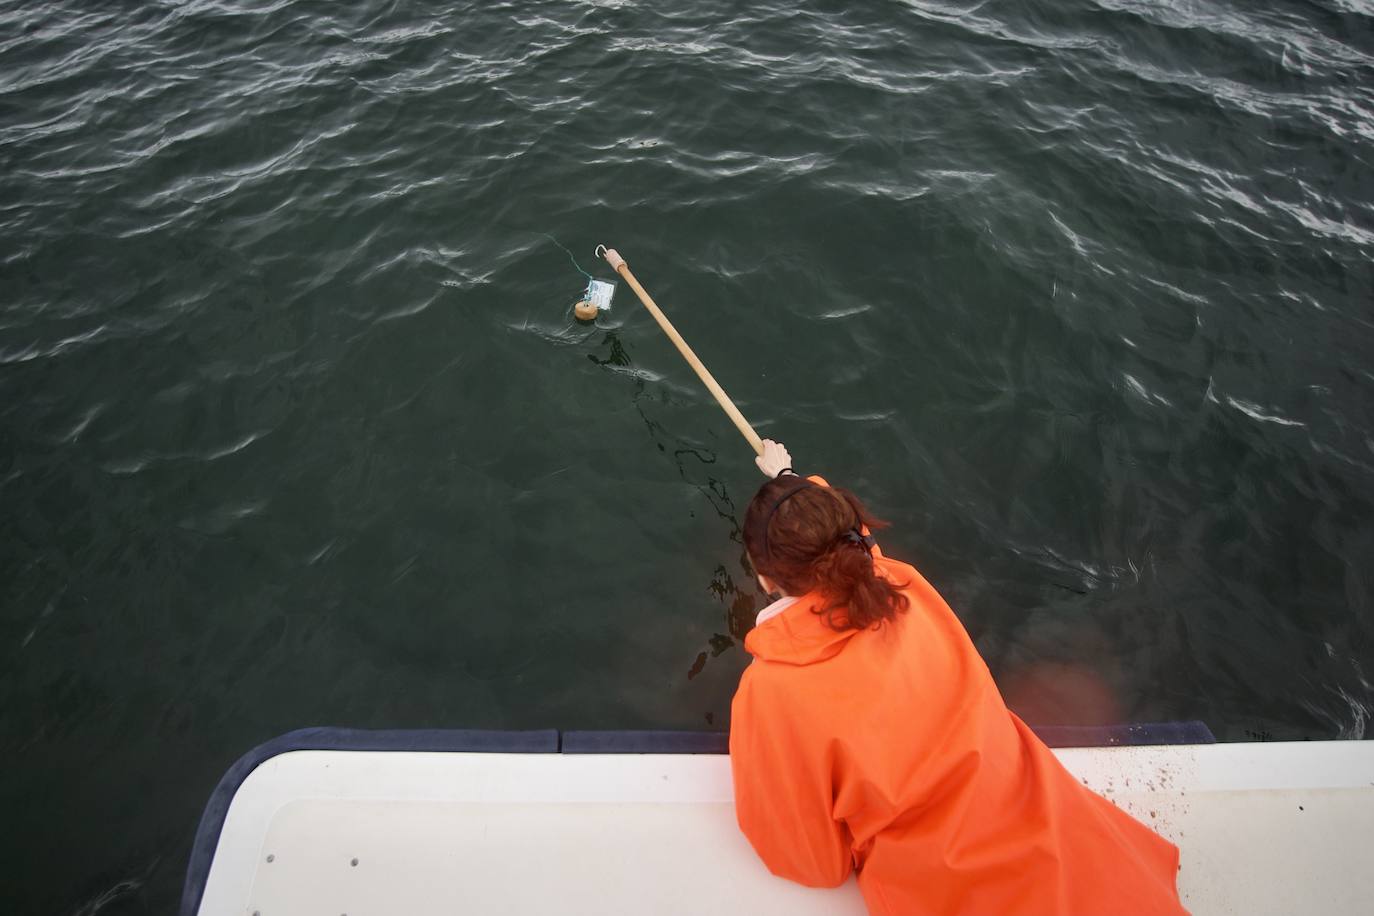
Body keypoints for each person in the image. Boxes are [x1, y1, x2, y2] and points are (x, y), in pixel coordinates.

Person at [729, 440, 1188, 916]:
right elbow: (850, 537)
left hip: (948, 881)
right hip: (1038, 817)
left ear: (764, 579)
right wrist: (789, 480)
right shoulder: (901, 585)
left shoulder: (772, 691)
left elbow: (812, 863)